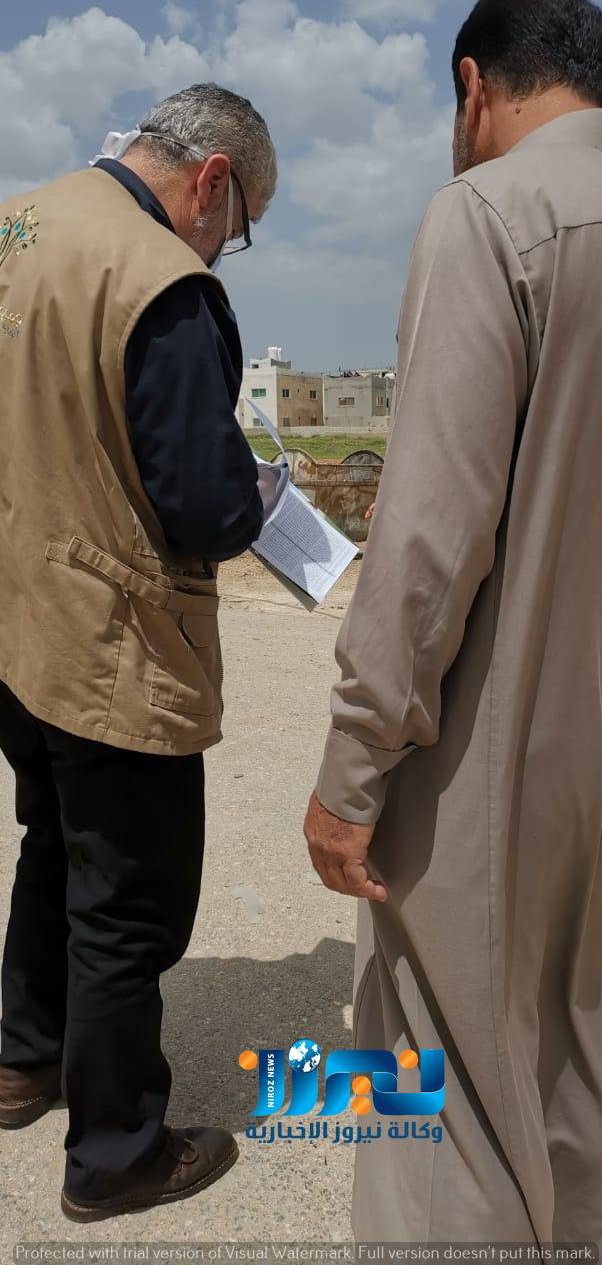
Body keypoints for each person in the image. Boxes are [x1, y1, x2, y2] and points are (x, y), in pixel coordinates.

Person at [305, 0, 602, 1250]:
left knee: (438, 1084)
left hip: (501, 752)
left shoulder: (489, 213)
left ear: (472, 87)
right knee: (584, 1054)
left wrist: (350, 771)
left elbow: (427, 540)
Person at [0, 83, 277, 1222]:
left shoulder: (20, 221)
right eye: (240, 224)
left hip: (14, 612)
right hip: (106, 634)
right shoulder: (161, 281)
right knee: (129, 896)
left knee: (52, 839)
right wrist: (260, 501)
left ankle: (21, 1058)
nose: (225, 246)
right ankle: (116, 1153)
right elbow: (204, 507)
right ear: (212, 181)